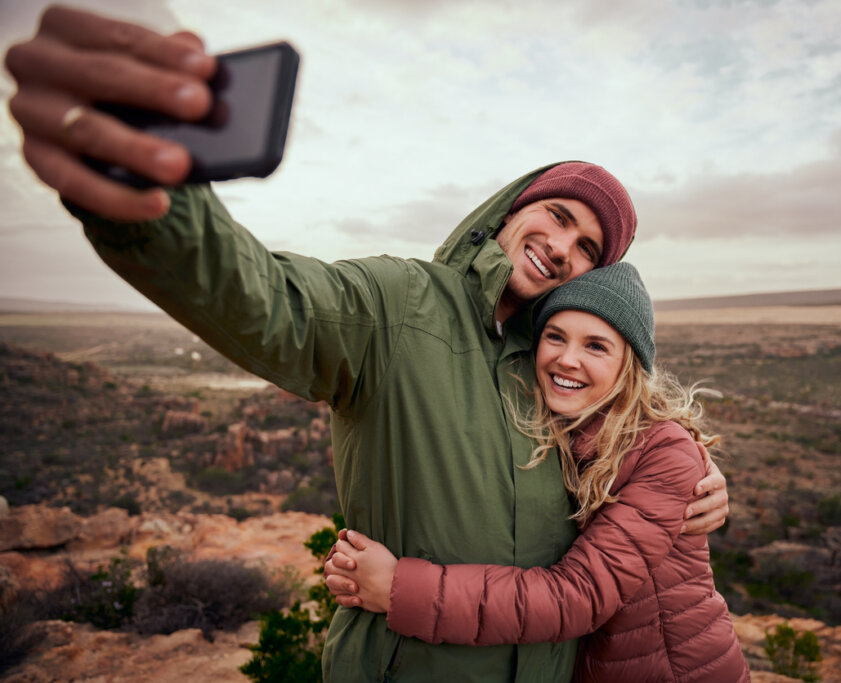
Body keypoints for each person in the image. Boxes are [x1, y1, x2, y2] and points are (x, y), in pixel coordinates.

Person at [5, 7, 731, 682]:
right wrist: (149, 194)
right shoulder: (401, 303)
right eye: (558, 214)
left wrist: (699, 487)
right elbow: (265, 298)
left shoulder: (552, 377)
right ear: (514, 209)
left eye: (587, 248)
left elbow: (633, 467)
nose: (562, 246)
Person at [326, 262, 750, 682]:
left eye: (596, 346)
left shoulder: (662, 452)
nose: (568, 360)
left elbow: (578, 596)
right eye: (555, 337)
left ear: (630, 365)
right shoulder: (550, 430)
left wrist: (400, 588)